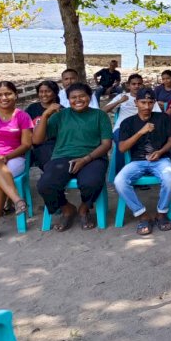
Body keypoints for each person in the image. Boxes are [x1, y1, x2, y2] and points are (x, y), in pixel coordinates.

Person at [34, 83, 112, 232]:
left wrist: (85, 159)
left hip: (93, 157)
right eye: (73, 97)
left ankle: (84, 208)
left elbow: (106, 144)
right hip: (62, 157)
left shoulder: (99, 115)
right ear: (68, 100)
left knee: (91, 182)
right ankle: (67, 208)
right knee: (45, 185)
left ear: (89, 97)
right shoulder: (61, 115)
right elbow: (37, 140)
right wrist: (45, 115)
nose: (78, 100)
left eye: (82, 96)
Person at [113, 88, 171, 235]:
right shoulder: (128, 122)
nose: (147, 106)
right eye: (143, 102)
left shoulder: (162, 118)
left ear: (154, 102)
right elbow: (122, 148)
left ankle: (161, 213)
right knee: (119, 181)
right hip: (137, 161)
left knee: (170, 180)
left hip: (161, 159)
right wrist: (141, 132)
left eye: (150, 102)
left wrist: (160, 152)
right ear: (136, 103)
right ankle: (142, 215)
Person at [0, 82, 32, 244]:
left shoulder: (22, 116)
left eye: (8, 94)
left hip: (14, 158)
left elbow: (26, 145)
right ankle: (17, 200)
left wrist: (6, 157)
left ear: (16, 95)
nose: (3, 98)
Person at [104, 73, 162, 173]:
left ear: (142, 85)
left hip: (144, 127)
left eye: (139, 84)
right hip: (122, 128)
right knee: (121, 144)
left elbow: (158, 115)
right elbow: (103, 111)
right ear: (128, 85)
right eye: (133, 84)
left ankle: (141, 173)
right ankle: (121, 173)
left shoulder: (148, 98)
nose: (136, 86)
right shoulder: (122, 96)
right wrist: (119, 102)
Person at [25, 80, 62, 169]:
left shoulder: (61, 110)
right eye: (41, 92)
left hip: (56, 146)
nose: (44, 94)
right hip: (38, 146)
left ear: (55, 93)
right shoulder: (32, 109)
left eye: (48, 91)